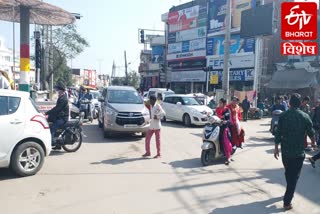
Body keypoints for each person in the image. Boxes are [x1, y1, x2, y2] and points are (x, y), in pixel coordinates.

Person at [274, 93, 316, 211]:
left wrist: (276, 147)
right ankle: (287, 202)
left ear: (290, 103)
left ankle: (289, 191)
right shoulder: (305, 116)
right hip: (298, 153)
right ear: (300, 103)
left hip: (286, 152)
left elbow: (278, 133)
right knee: (294, 177)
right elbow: (311, 132)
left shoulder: (283, 116)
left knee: (289, 173)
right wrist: (313, 143)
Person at [45, 82, 69, 149]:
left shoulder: (63, 99)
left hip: (63, 118)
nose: (57, 91)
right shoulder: (61, 97)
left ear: (61, 91)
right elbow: (56, 108)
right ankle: (57, 145)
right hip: (60, 116)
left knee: (53, 127)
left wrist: (47, 113)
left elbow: (57, 109)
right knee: (50, 122)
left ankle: (52, 141)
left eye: (58, 90)